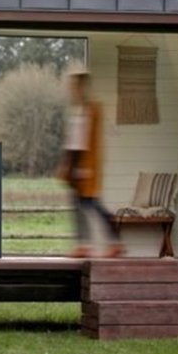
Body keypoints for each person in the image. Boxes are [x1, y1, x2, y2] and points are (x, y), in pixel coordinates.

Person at [57, 70, 125, 258]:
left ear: (82, 87)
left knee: (90, 203)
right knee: (81, 203)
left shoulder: (91, 109)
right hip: (77, 164)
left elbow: (83, 140)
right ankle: (85, 244)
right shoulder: (79, 108)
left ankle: (110, 241)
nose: (72, 90)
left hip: (83, 164)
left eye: (75, 86)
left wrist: (79, 166)